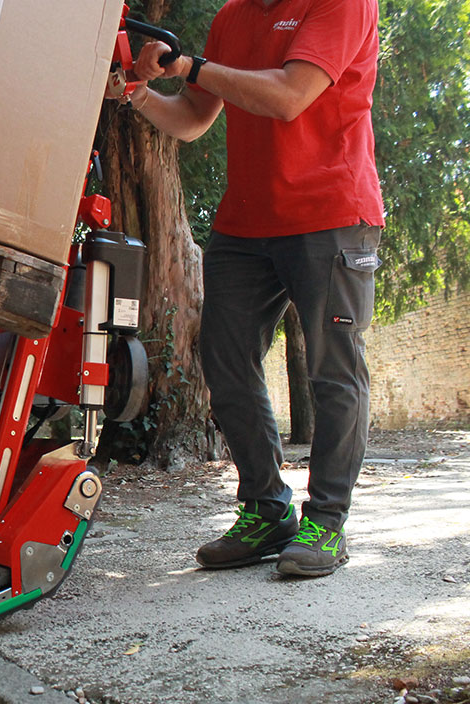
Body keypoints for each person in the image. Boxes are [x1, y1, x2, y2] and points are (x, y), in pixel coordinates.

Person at [124, 0, 385, 577]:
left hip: (332, 213)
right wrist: (139, 94)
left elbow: (289, 95)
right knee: (224, 360)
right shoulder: (232, 18)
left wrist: (188, 66)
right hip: (246, 223)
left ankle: (326, 522)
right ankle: (267, 509)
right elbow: (195, 118)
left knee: (334, 371)